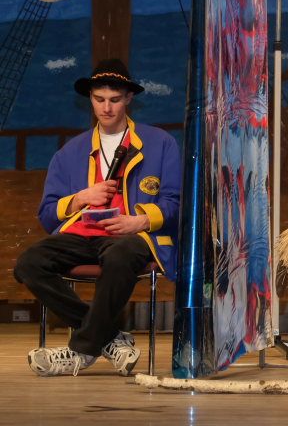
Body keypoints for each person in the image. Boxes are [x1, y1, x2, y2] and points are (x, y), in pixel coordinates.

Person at [14, 59, 181, 377]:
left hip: (133, 237)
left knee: (120, 254)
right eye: (99, 99)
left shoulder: (161, 143)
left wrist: (138, 221)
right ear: (89, 98)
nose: (106, 108)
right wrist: (80, 198)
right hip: (83, 236)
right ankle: (109, 338)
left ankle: (82, 348)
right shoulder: (69, 153)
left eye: (114, 100)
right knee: (29, 264)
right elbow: (47, 216)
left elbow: (175, 205)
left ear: (129, 98)